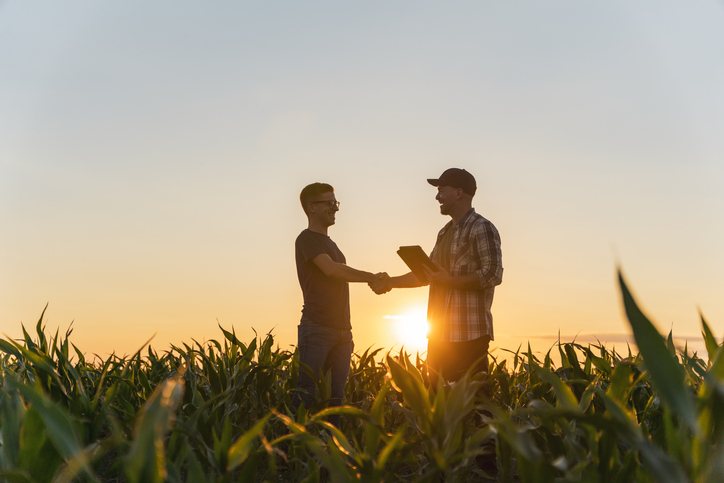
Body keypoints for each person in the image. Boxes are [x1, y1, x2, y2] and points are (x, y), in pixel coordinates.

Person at [373, 168, 503, 386]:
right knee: (437, 405)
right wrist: (390, 283)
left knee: (476, 406)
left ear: (459, 193)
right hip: (439, 335)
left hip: (469, 336)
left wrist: (450, 281)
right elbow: (427, 275)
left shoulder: (482, 228)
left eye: (441, 190)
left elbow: (493, 273)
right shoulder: (444, 232)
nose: (437, 197)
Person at [293, 182, 387, 426]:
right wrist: (371, 277)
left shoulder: (331, 244)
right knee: (307, 396)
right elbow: (332, 271)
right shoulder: (307, 240)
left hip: (342, 331)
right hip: (317, 328)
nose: (335, 208)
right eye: (329, 203)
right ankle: (291, 453)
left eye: (336, 203)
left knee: (336, 400)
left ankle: (330, 455)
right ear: (311, 207)